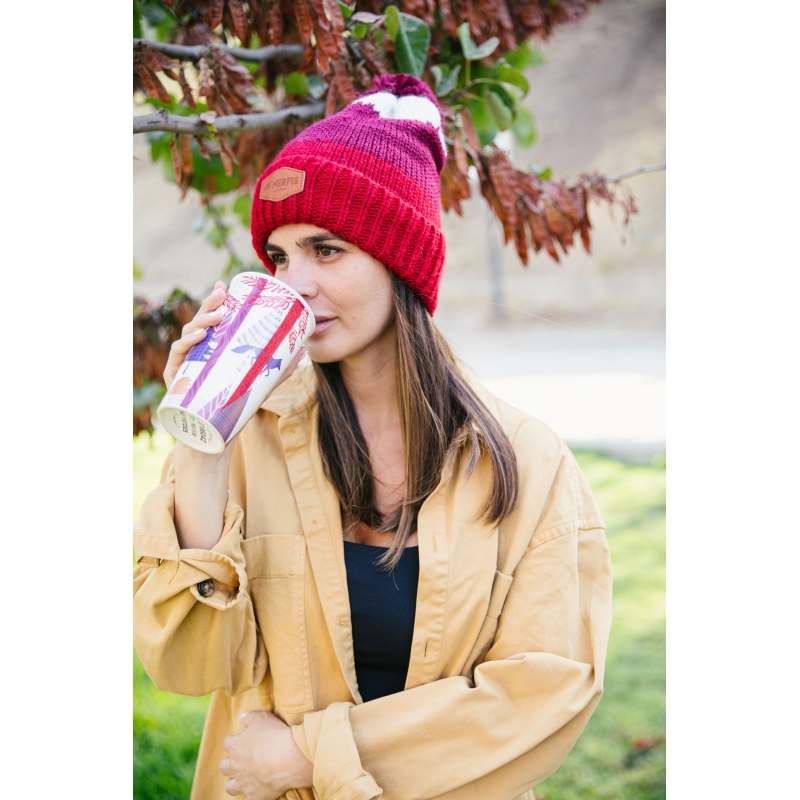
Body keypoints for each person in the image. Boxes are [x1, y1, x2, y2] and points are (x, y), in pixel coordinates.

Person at [134, 74, 612, 800]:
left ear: (401, 262)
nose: (296, 283)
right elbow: (188, 667)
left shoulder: (526, 459)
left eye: (327, 250)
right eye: (281, 256)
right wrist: (203, 444)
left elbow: (545, 693)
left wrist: (310, 756)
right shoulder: (247, 441)